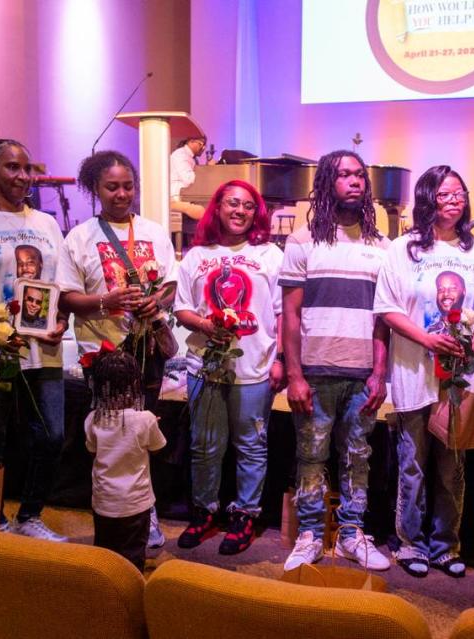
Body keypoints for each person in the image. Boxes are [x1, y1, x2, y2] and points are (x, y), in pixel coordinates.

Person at [57, 150, 178, 548]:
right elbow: (66, 297)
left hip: (147, 348)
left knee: (144, 429)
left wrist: (155, 300)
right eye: (112, 187)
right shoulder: (79, 237)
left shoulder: (154, 231)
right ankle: (110, 512)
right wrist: (104, 302)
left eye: (128, 186)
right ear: (96, 188)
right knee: (111, 437)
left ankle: (147, 512)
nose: (122, 194)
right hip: (104, 355)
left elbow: (171, 285)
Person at [280, 150, 391, 572]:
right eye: (344, 175)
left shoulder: (382, 247)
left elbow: (384, 318)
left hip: (362, 372)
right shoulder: (302, 242)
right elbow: (289, 314)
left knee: (357, 455)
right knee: (311, 454)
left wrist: (379, 374)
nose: (355, 182)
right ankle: (309, 534)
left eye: (360, 175)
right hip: (315, 370)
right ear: (327, 183)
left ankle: (351, 534)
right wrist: (294, 374)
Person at [374, 165, 474, 578]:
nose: (454, 200)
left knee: (451, 467)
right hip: (413, 373)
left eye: (459, 193)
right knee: (412, 463)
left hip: (458, 380)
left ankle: (446, 545)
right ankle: (409, 543)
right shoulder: (404, 249)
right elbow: (386, 308)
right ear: (426, 200)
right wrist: (428, 339)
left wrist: (473, 345)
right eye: (444, 194)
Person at [0, 138, 69, 542]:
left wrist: (61, 321)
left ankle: (31, 516)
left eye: (27, 169)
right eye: (12, 168)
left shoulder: (46, 223)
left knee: (52, 435)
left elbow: (61, 285)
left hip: (45, 347)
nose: (23, 177)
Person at [173, 179, 283, 555]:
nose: (240, 211)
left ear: (257, 214)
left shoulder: (270, 254)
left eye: (248, 206)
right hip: (204, 365)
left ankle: (246, 514)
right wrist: (205, 325)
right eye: (232, 203)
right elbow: (182, 308)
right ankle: (205, 512)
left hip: (254, 367)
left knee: (251, 445)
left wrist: (281, 358)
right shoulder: (196, 256)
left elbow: (283, 313)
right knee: (205, 446)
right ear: (218, 207)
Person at [84, 348, 166, 572]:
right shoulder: (145, 420)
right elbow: (158, 448)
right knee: (132, 559)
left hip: (103, 503)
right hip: (135, 505)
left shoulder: (92, 419)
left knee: (104, 555)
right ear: (135, 386)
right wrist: (151, 425)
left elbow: (93, 452)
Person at [170, 135, 207, 222]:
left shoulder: (190, 157)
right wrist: (206, 172)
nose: (203, 148)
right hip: (177, 196)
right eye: (201, 144)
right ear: (191, 141)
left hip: (185, 194)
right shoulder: (181, 155)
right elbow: (189, 180)